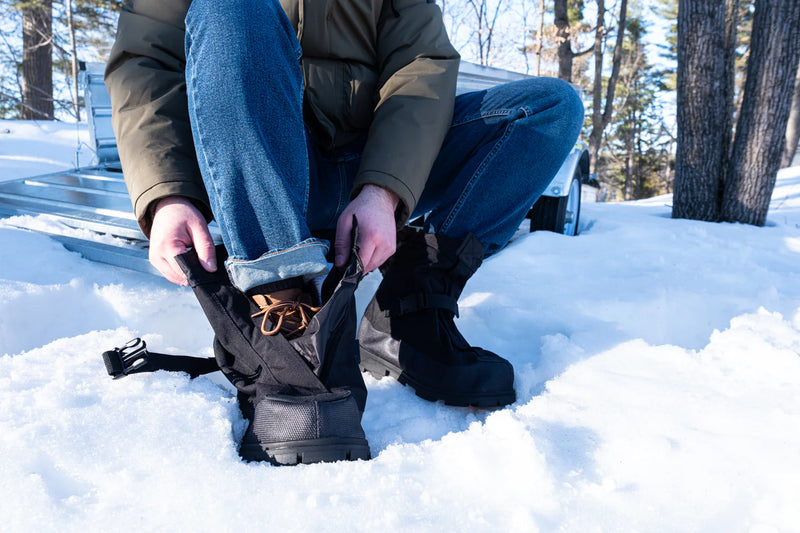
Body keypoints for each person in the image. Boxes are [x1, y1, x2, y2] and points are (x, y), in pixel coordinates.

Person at [105, 0, 584, 465]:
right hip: (263, 156)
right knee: (233, 6)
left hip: (366, 159)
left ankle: (409, 312)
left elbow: (422, 63)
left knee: (547, 109)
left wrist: (384, 188)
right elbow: (147, 61)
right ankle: (285, 325)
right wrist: (166, 193)